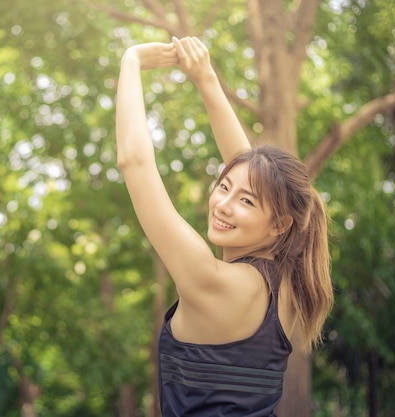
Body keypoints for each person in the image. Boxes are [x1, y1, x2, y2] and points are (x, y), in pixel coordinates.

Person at [115, 36, 334, 417]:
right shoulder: (286, 282)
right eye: (224, 187)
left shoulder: (211, 280)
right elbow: (249, 166)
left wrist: (131, 61)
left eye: (245, 201)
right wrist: (205, 78)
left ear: (279, 224)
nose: (224, 205)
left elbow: (134, 163)